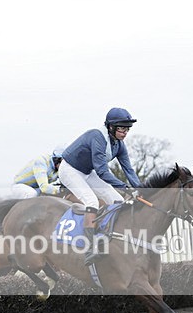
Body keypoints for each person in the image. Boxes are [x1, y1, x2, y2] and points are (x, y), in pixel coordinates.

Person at [58, 107, 142, 265]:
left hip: (88, 171)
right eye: (122, 128)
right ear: (111, 127)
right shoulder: (98, 137)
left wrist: (141, 189)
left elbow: (129, 170)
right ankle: (90, 248)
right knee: (92, 202)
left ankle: (106, 237)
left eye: (127, 129)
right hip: (70, 170)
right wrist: (126, 188)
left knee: (117, 201)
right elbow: (103, 172)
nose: (125, 133)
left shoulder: (119, 145)